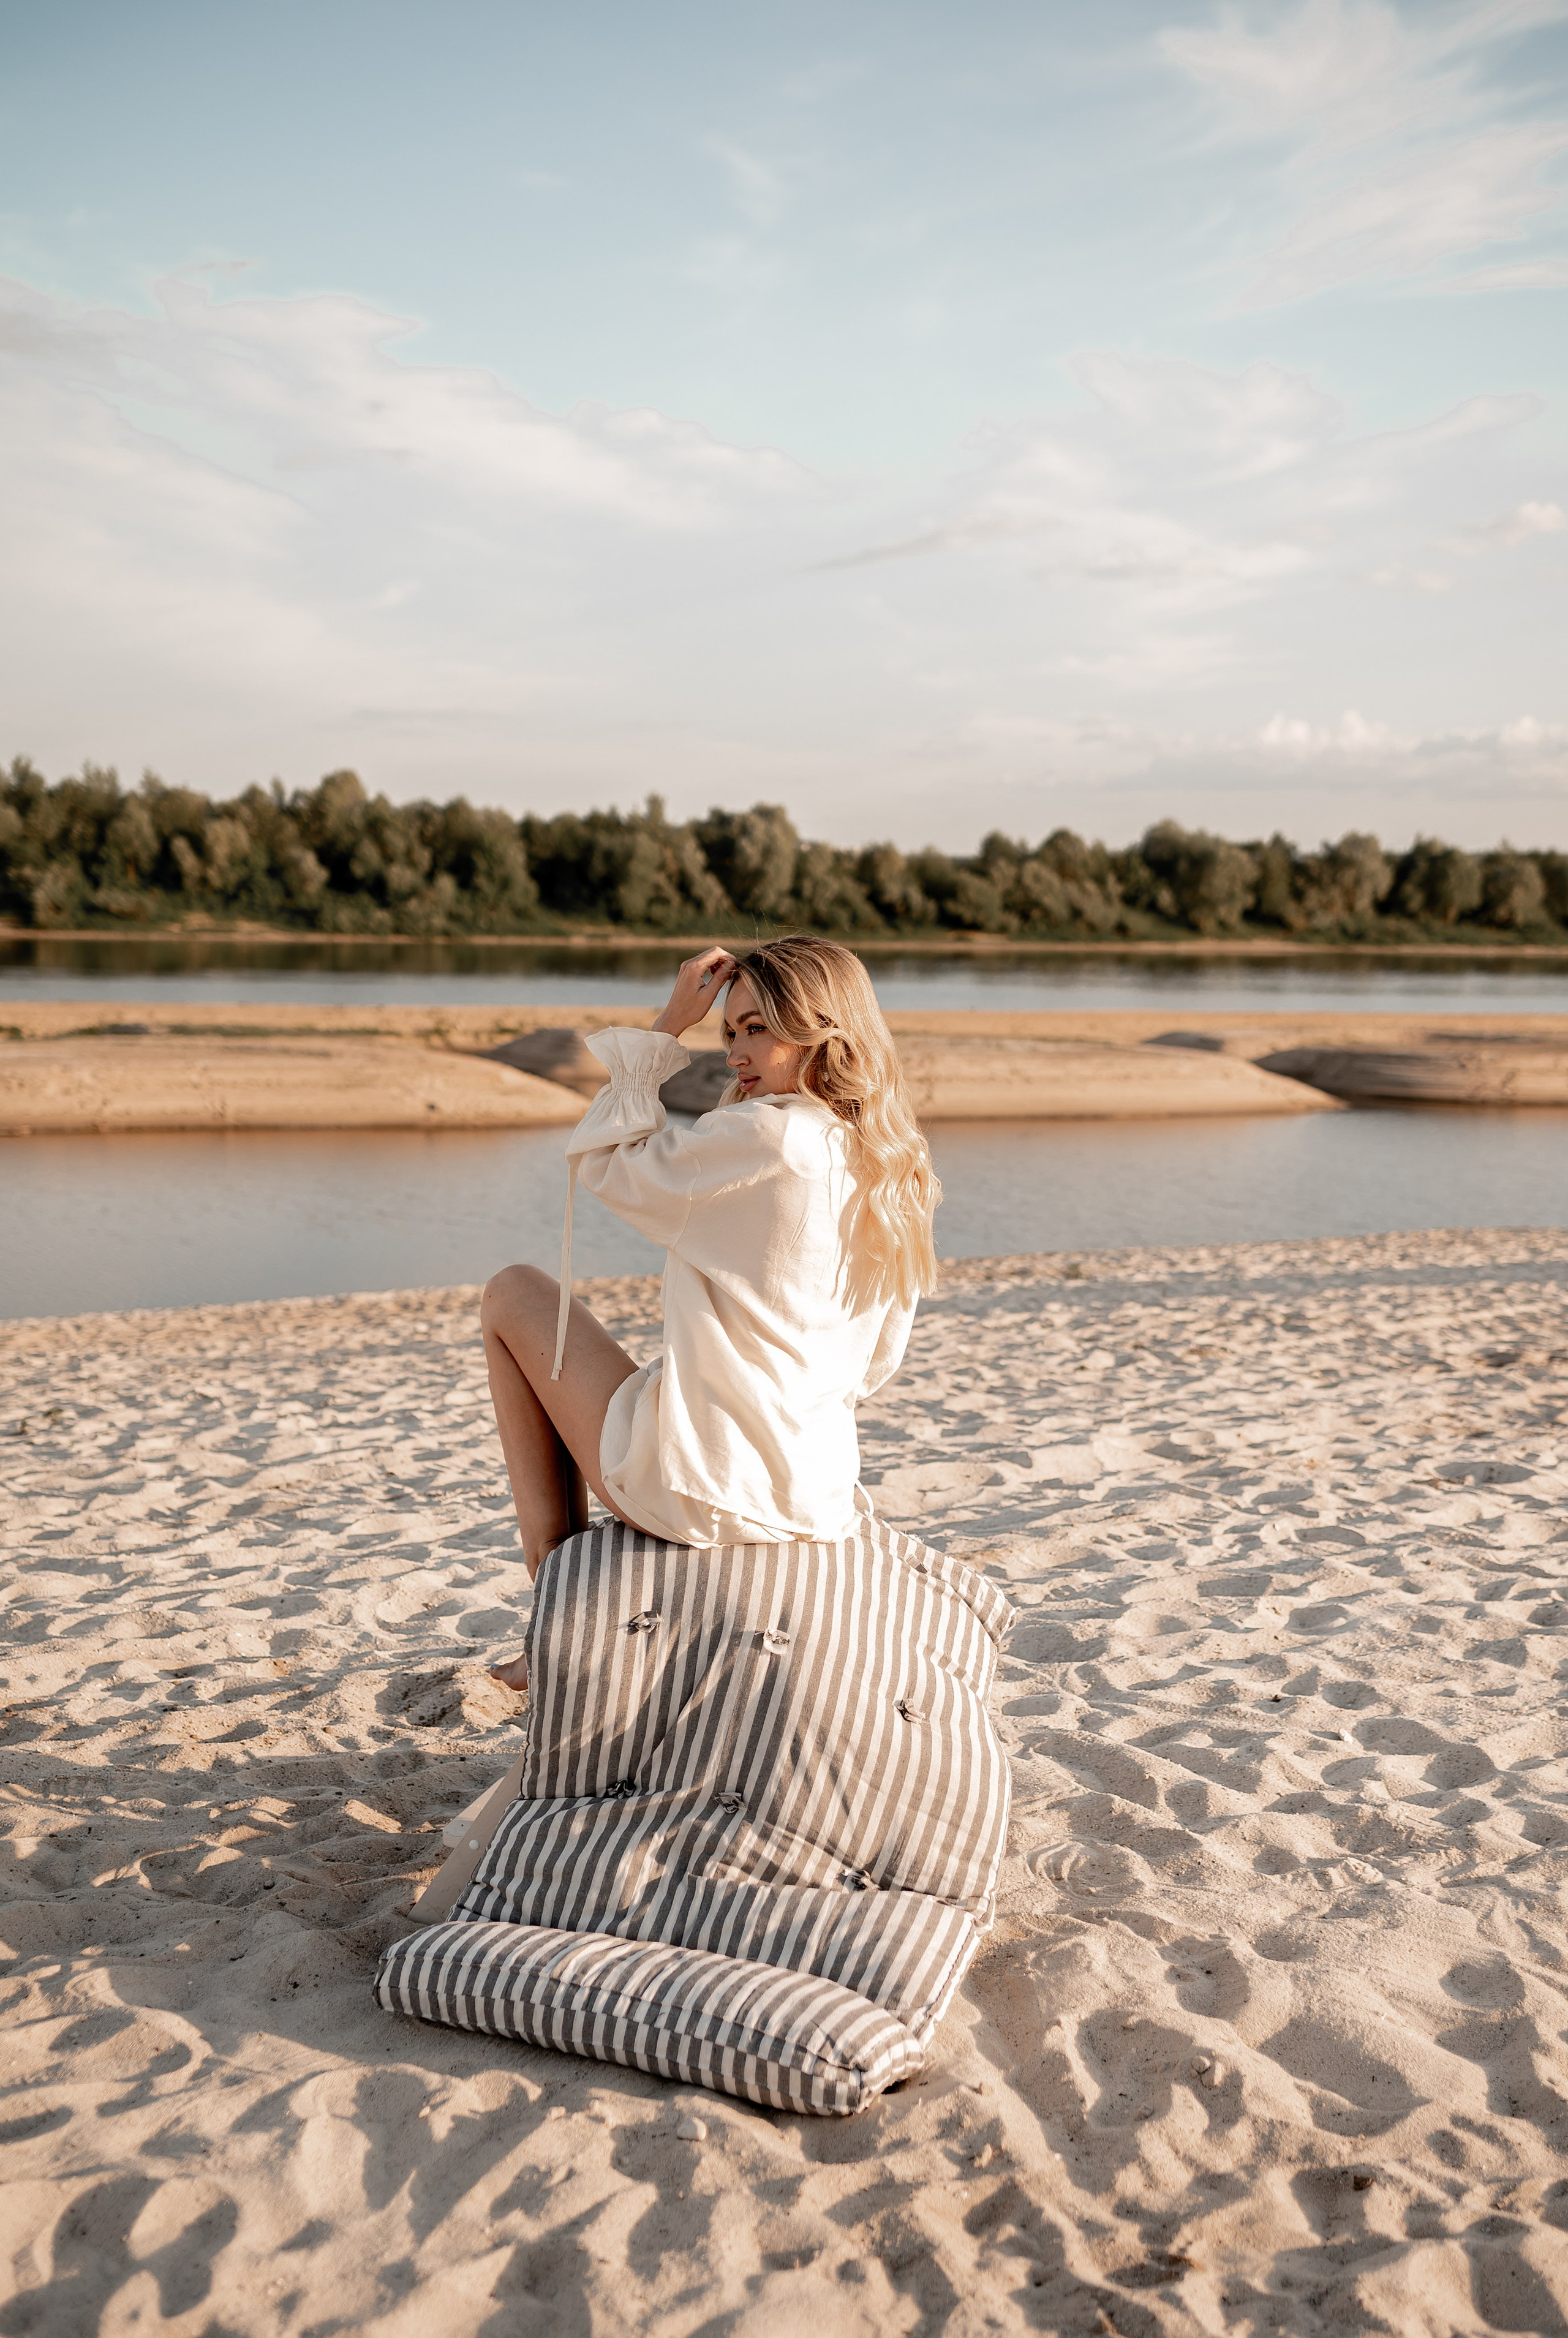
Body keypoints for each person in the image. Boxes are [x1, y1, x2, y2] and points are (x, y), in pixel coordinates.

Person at [481, 935, 940, 1690]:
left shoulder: (769, 1135)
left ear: (821, 1027)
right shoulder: (889, 1159)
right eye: (728, 1031)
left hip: (704, 1485)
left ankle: (553, 1615)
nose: (734, 1051)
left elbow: (602, 1160)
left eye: (756, 1028)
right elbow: (876, 1361)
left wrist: (668, 1024)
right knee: (653, 1372)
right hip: (813, 1489)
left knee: (514, 1290)